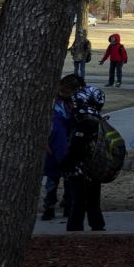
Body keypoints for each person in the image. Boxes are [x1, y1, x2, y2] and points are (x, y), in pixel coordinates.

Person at [62, 85, 108, 231]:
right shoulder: (98, 120)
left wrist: (64, 164)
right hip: (95, 169)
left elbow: (77, 148)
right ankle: (97, 225)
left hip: (80, 170)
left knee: (79, 201)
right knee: (94, 200)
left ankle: (75, 228)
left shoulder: (84, 123)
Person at [41, 75, 83, 221]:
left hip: (69, 147)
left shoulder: (74, 105)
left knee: (69, 180)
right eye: (63, 90)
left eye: (69, 91)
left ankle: (68, 205)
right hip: (53, 147)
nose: (65, 93)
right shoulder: (52, 103)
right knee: (52, 181)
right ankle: (49, 206)